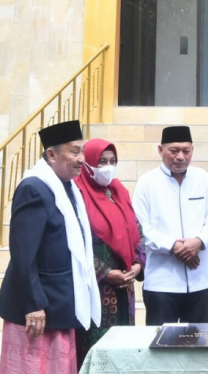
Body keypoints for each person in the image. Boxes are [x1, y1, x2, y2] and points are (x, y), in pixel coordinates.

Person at [0, 120, 101, 374]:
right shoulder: (34, 187)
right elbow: (23, 254)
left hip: (61, 303)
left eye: (82, 151)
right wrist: (33, 305)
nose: (81, 159)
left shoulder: (70, 188)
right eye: (74, 151)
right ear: (51, 154)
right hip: (37, 309)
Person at [132, 126, 208, 326]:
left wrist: (198, 242)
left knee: (197, 347)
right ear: (160, 150)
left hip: (199, 281)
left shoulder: (202, 178)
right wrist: (174, 247)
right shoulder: (147, 182)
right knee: (161, 348)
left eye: (186, 151)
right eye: (174, 150)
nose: (180, 156)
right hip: (161, 282)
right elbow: (140, 228)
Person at [73, 139, 146, 367]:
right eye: (101, 161)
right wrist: (105, 272)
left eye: (112, 161)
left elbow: (137, 231)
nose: (108, 166)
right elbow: (74, 244)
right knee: (97, 353)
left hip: (125, 288)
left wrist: (137, 264)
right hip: (96, 291)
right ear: (88, 163)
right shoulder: (77, 194)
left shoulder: (118, 191)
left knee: (122, 353)